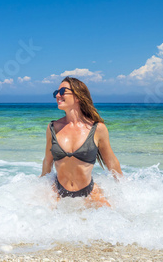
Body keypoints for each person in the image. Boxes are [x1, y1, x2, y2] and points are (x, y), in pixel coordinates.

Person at [41, 76, 122, 207]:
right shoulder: (53, 128)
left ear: (78, 96)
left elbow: (111, 162)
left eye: (62, 92)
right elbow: (47, 161)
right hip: (58, 192)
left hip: (89, 193)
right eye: (56, 92)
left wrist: (125, 188)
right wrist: (42, 187)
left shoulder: (97, 129)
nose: (58, 96)